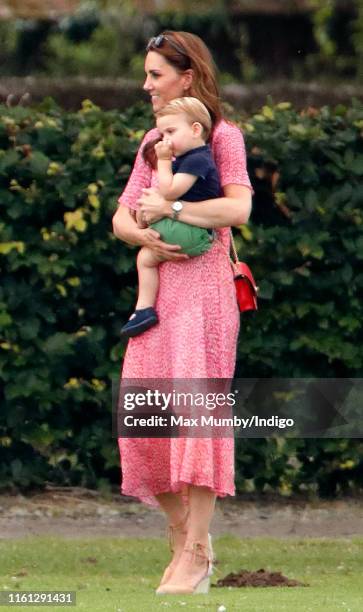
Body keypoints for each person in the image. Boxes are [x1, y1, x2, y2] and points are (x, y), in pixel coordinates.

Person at [112, 31, 253, 595]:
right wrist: (142, 232)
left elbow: (238, 208)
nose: (145, 85)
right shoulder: (154, 139)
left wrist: (170, 206)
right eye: (145, 75)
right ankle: (183, 536)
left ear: (186, 77)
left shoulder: (222, 137)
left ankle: (194, 555)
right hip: (161, 296)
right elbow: (123, 215)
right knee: (144, 417)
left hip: (206, 296)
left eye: (155, 74)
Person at [120, 96, 220, 338]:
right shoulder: (190, 159)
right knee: (147, 207)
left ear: (196, 130)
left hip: (194, 232)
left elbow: (170, 191)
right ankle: (143, 309)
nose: (165, 140)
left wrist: (164, 161)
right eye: (162, 134)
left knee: (145, 258)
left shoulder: (198, 160)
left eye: (171, 132)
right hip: (188, 228)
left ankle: (144, 309)